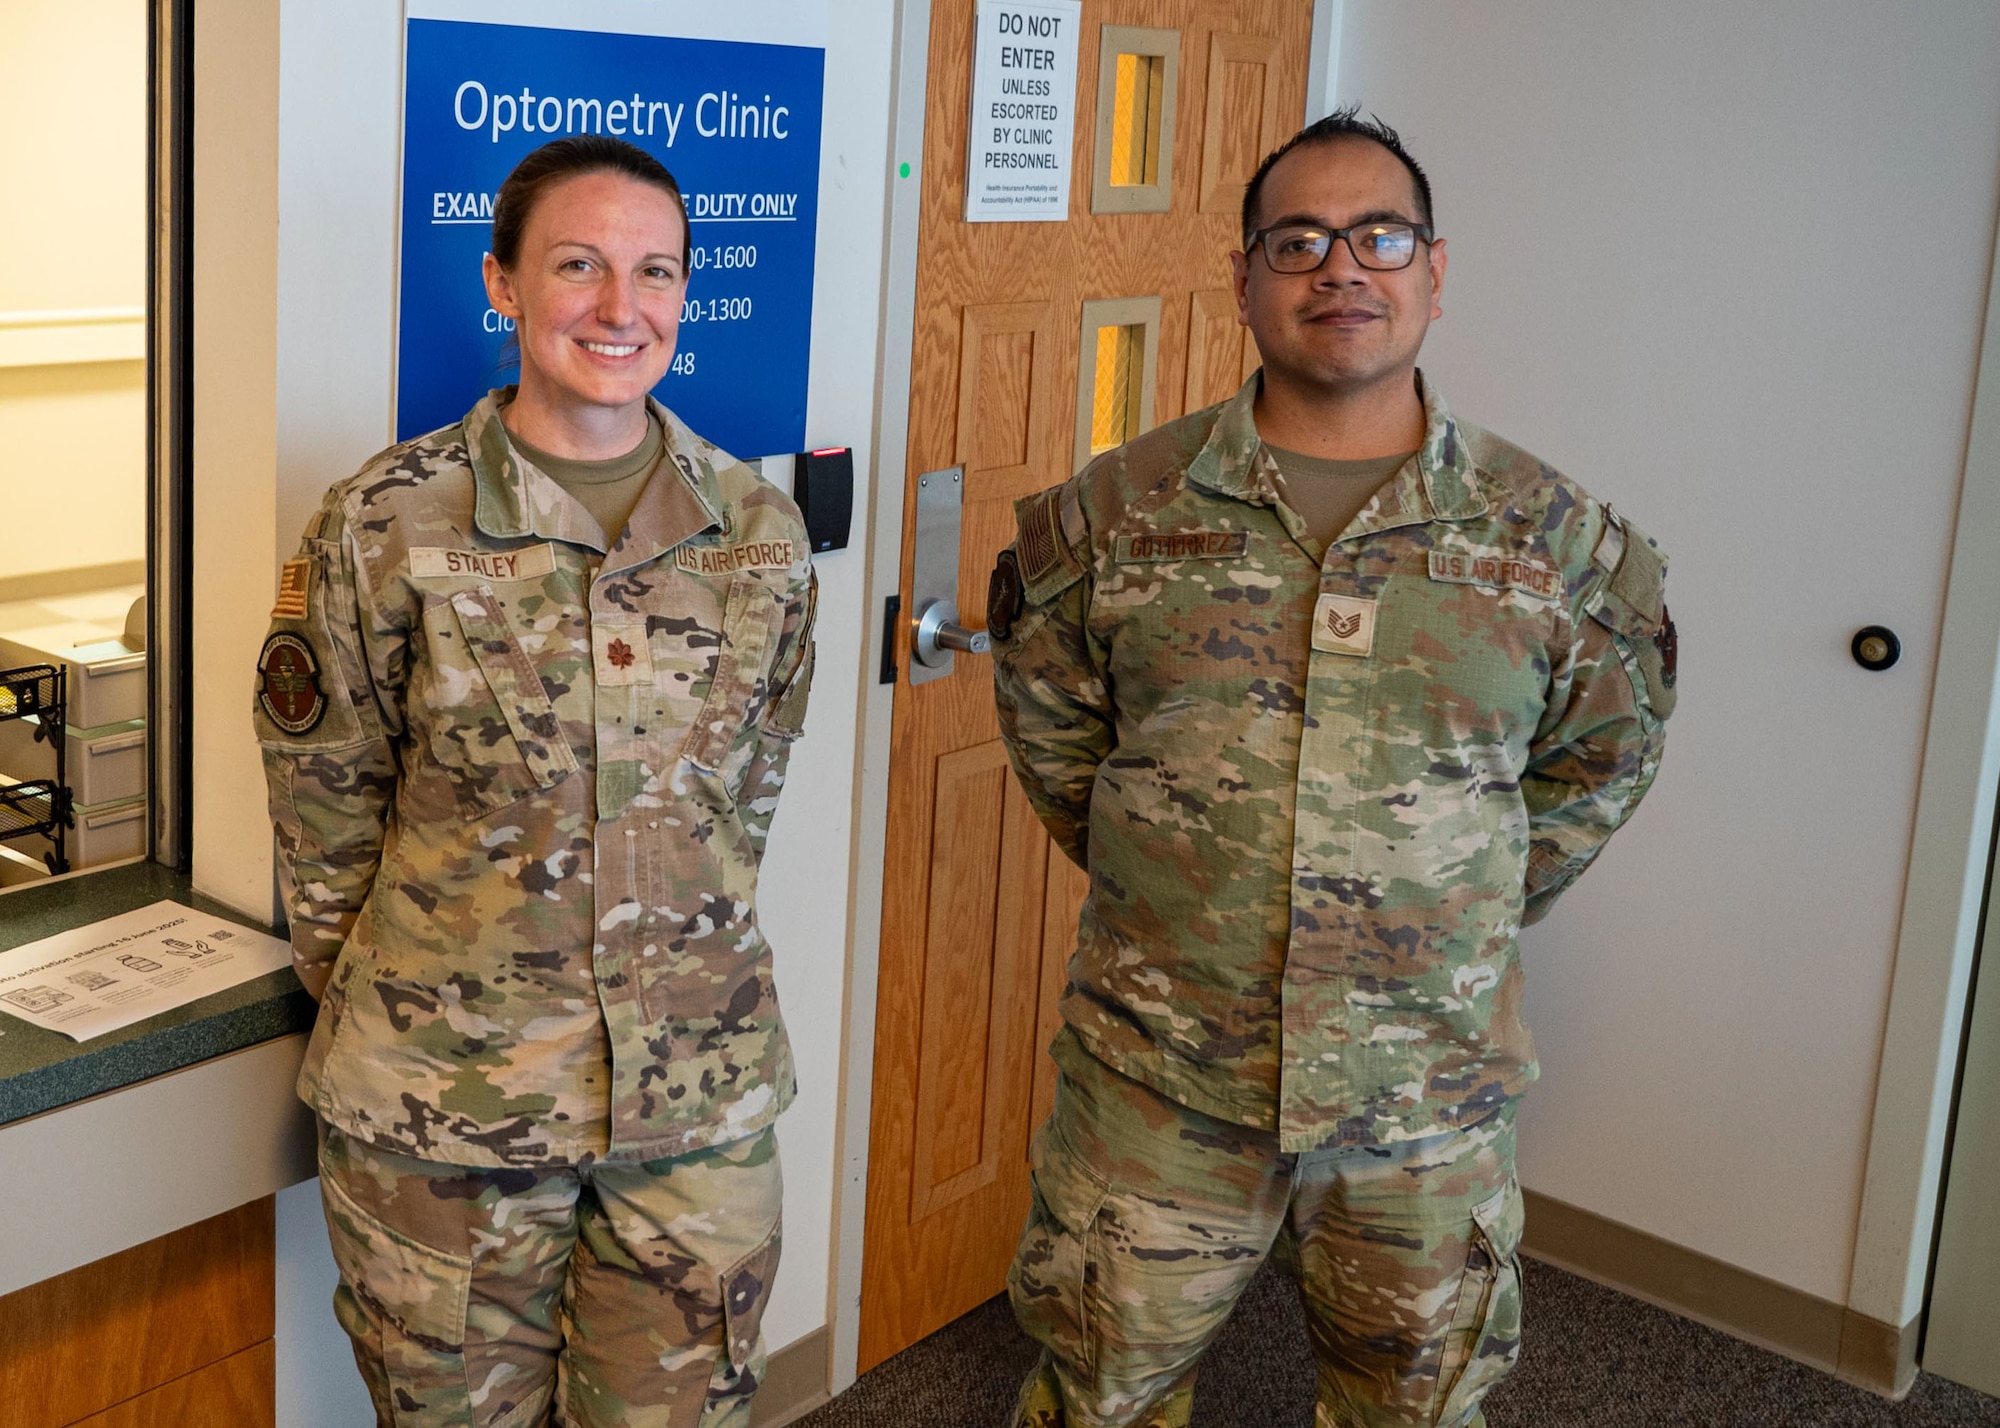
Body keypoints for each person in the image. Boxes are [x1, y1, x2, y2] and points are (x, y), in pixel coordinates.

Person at [988, 109, 1675, 1428]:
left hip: (1426, 1099)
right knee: (1100, 1395)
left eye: (1379, 236)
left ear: (1434, 268)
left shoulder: (1557, 545)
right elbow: (1060, 742)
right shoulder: (1115, 516)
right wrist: (1198, 885)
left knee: (1413, 1411)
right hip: (1161, 1080)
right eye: (1297, 239)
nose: (1339, 268)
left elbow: (1601, 758)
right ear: (1242, 276)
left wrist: (1447, 903)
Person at [254, 135, 816, 1428]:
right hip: (447, 1110)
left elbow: (748, 794)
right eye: (579, 266)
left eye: (655, 272)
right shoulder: (386, 522)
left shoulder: (755, 534)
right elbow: (323, 796)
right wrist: (417, 1002)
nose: (623, 308)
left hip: (695, 1105)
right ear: (501, 286)